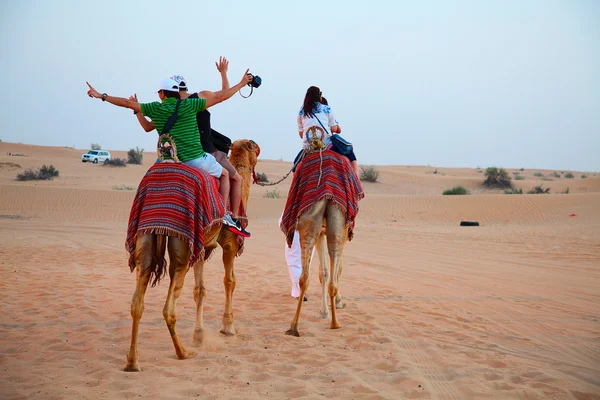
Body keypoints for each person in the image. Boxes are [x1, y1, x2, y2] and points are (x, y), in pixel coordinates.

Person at [85, 71, 253, 237]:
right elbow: (221, 96)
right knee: (225, 175)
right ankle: (223, 215)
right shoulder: (191, 104)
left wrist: (102, 96)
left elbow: (126, 104)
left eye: (159, 92)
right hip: (196, 160)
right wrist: (241, 83)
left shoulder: (155, 108)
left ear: (163, 94)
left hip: (168, 161)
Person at [129, 58, 249, 237]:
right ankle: (231, 219)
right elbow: (224, 94)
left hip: (176, 156)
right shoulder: (196, 99)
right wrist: (226, 74)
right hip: (205, 153)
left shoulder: (167, 108)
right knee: (237, 179)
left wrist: (137, 110)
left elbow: (147, 127)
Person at [297, 86, 359, 176]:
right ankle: (357, 181)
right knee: (349, 151)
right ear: (319, 96)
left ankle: (296, 188)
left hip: (308, 148)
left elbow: (301, 134)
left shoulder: (301, 112)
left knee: (296, 167)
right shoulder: (326, 108)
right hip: (325, 145)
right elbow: (334, 129)